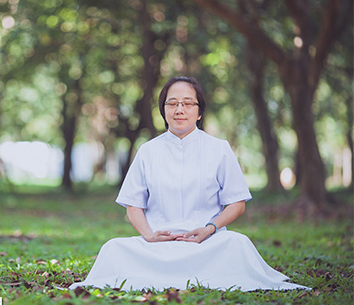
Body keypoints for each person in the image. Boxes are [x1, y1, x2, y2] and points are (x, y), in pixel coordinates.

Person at [70, 76, 309, 292]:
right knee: (113, 248)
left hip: (207, 245)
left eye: (187, 103)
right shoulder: (148, 151)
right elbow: (133, 205)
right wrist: (150, 236)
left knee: (238, 243)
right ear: (163, 111)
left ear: (199, 111)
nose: (179, 110)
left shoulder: (219, 149)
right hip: (159, 247)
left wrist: (209, 229)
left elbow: (236, 204)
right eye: (172, 103)